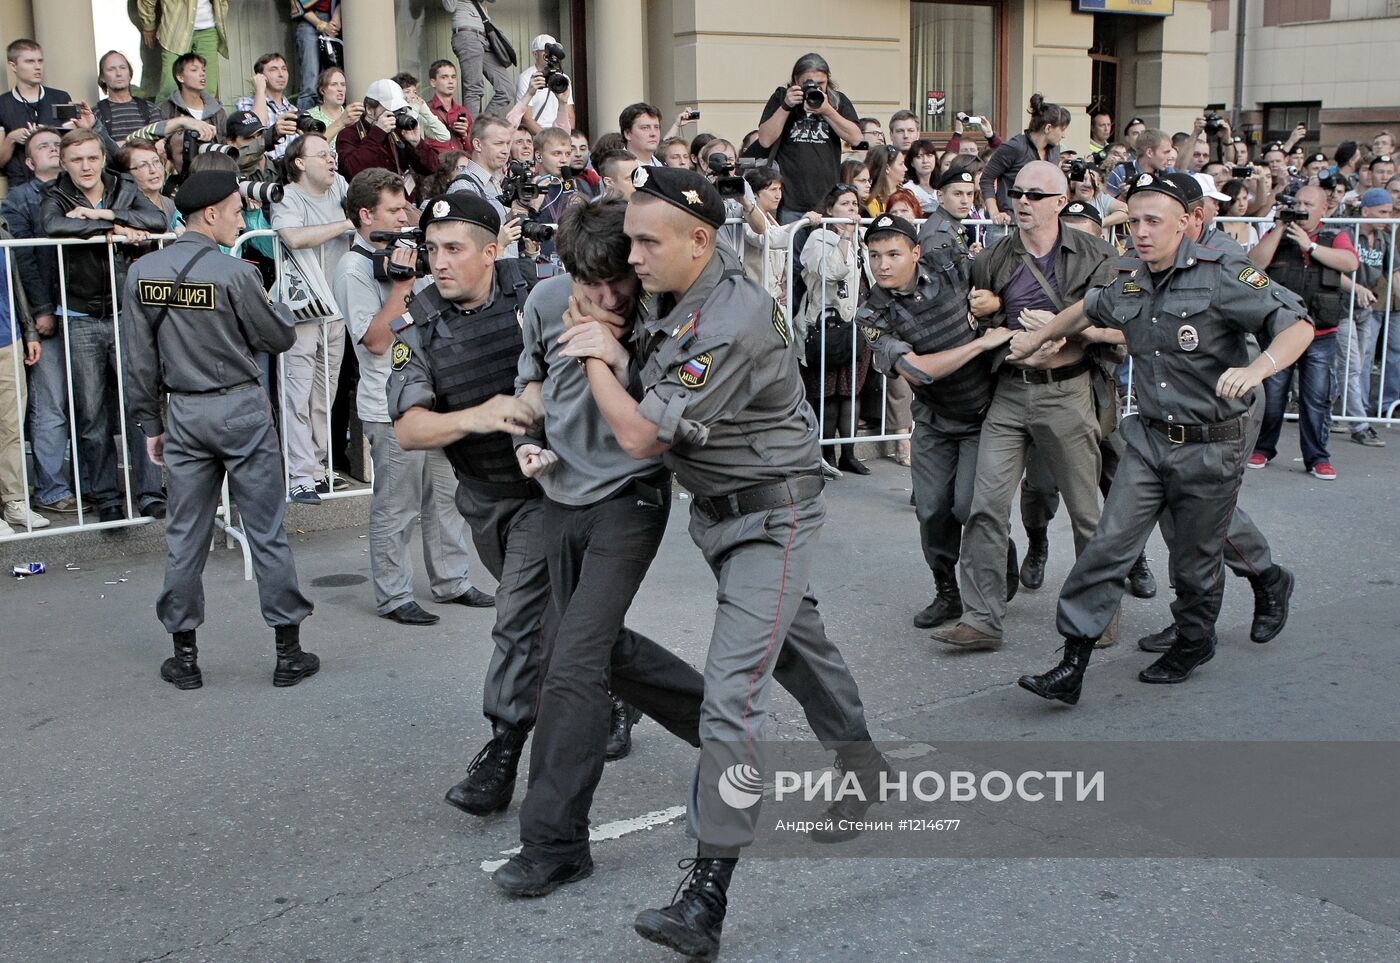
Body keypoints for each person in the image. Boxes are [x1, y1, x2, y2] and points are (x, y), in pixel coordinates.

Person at [562, 166, 885, 962]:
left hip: (770, 515)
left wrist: (596, 355)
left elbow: (642, 435)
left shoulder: (729, 318)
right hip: (723, 512)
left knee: (734, 691)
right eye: (629, 239)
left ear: (700, 241)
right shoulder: (675, 295)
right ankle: (860, 756)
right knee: (795, 647)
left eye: (647, 241)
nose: (631, 257)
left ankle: (706, 891)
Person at [1008, 172, 1312, 704]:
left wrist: (1259, 367)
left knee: (1194, 555)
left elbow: (1298, 324)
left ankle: (1197, 638)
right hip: (1148, 440)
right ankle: (1072, 661)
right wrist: (1044, 333)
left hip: (1211, 439)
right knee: (1108, 545)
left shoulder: (1225, 275)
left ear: (1189, 223)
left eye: (1154, 222)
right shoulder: (1131, 276)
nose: (1141, 233)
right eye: (1134, 221)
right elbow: (1091, 307)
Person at [491, 194, 708, 896]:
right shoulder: (547, 299)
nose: (609, 294)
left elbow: (675, 412)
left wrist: (614, 353)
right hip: (558, 496)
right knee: (598, 645)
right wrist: (526, 437)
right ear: (567, 272)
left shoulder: (661, 312)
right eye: (593, 284)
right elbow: (529, 378)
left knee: (572, 663)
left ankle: (555, 842)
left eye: (619, 279)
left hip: (630, 500)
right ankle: (725, 725)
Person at [120, 169, 320, 690]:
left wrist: (149, 422)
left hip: (184, 413)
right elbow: (276, 337)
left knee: (185, 536)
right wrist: (275, 303)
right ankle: (288, 653)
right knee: (266, 531)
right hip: (241, 409)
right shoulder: (236, 274)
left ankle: (184, 658)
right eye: (236, 212)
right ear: (210, 214)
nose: (240, 221)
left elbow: (138, 362)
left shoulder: (143, 273)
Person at [387, 193, 547, 817]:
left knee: (517, 618)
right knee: (559, 617)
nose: (438, 263)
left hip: (553, 491)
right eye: (430, 250)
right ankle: (625, 692)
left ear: (492, 250)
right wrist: (479, 416)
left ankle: (502, 750)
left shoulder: (540, 291)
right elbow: (408, 430)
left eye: (453, 249)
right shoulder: (420, 321)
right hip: (485, 497)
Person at [931, 161, 1116, 653]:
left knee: (1085, 512)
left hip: (1067, 390)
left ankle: (1099, 612)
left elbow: (1121, 326)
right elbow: (971, 324)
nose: (1023, 202)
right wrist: (982, 311)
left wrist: (1059, 330)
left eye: (1036, 194)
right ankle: (982, 618)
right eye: (1017, 193)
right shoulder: (993, 256)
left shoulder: (1095, 255)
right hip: (1010, 391)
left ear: (1060, 201)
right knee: (985, 506)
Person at [331, 168, 493, 626]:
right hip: (391, 405)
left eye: (405, 205)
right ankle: (394, 594)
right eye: (394, 208)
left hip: (439, 397)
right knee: (397, 506)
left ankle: (452, 580)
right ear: (366, 215)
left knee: (447, 498)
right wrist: (402, 283)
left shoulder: (416, 256)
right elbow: (376, 340)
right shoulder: (354, 266)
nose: (406, 215)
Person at [862, 212, 1010, 631]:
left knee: (969, 506)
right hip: (934, 417)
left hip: (986, 414)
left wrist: (991, 304)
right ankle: (947, 591)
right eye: (874, 255)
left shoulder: (952, 266)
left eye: (893, 253)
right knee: (931, 509)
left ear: (916, 252)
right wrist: (981, 344)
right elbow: (920, 372)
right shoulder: (872, 314)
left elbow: (1001, 282)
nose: (883, 264)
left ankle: (1001, 561)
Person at [41, 129, 168, 523]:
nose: (85, 166)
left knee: (141, 405)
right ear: (63, 163)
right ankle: (106, 495)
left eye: (92, 158)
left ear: (101, 158)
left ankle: (150, 491)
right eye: (76, 159)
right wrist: (111, 234)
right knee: (91, 414)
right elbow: (54, 227)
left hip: (125, 313)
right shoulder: (53, 194)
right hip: (78, 315)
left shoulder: (122, 186)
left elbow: (157, 218)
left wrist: (104, 215)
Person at [1248, 185, 1359, 480]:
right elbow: (1255, 265)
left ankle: (1317, 458)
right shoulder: (1278, 234)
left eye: (1308, 203)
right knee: (1272, 395)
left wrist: (1310, 246)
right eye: (1297, 202)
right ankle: (1262, 448)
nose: (1301, 207)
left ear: (1324, 209)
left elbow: (1350, 262)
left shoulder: (1334, 236)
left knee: (1316, 399)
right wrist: (1280, 230)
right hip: (1280, 331)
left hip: (1321, 332)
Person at [271, 132, 353, 503]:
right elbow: (292, 237)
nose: (331, 159)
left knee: (324, 395)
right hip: (301, 310)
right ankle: (298, 474)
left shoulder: (341, 186)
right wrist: (345, 226)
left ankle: (317, 468)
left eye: (332, 153)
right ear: (300, 163)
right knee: (297, 394)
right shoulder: (287, 194)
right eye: (322, 154)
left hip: (335, 310)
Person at [1, 128, 80, 517]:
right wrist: (40, 312)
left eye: (57, 145)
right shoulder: (17, 199)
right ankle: (51, 488)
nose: (53, 149)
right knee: (50, 406)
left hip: (86, 309)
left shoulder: (81, 189)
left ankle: (92, 485)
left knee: (92, 406)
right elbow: (24, 261)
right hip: (45, 311)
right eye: (43, 147)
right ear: (29, 163)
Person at [798, 183, 870, 476]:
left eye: (855, 203)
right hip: (828, 324)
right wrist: (843, 238)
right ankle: (826, 453)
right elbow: (832, 271)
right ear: (829, 209)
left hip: (859, 322)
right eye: (845, 203)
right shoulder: (819, 237)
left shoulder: (863, 236)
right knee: (828, 392)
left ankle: (849, 454)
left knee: (851, 391)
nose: (852, 208)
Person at [756, 52, 863, 222]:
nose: (815, 88)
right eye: (808, 83)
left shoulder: (837, 100)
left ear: (828, 81)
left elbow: (856, 138)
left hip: (827, 203)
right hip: (789, 202)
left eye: (821, 83)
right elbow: (765, 139)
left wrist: (827, 110)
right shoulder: (781, 98)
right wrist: (786, 106)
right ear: (795, 82)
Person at [1336, 188, 1395, 448]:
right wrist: (1356, 288)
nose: (1388, 216)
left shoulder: (1383, 238)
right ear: (1366, 210)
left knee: (1358, 365)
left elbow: (1394, 272)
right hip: (1342, 306)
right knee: (1349, 366)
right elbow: (1335, 270)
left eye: (1390, 211)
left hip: (1365, 308)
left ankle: (1335, 411)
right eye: (1382, 211)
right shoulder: (1347, 233)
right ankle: (1359, 424)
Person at [0, 214, 42, 535]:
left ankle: (13, 501)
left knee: (12, 425)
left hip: (7, 336)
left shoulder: (1, 222)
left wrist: (28, 330)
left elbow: (13, 281)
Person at [980, 94, 1070, 225]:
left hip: (1041, 223)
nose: (1064, 135)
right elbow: (986, 178)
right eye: (1062, 129)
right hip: (1008, 223)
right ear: (1048, 128)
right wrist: (995, 213)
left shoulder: (1055, 150)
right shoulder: (1015, 147)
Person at [336, 79, 438, 190]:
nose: (396, 115)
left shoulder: (399, 132)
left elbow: (432, 168)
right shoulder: (348, 134)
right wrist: (378, 133)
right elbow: (352, 171)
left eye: (400, 109)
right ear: (369, 109)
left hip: (401, 202)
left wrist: (417, 143)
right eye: (391, 109)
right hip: (370, 203)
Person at [0, 41, 76, 187]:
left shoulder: (61, 97)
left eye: (40, 61)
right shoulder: (2, 104)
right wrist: (11, 138)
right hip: (20, 186)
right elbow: (0, 161)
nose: (37, 67)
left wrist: (48, 133)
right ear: (13, 66)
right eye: (30, 61)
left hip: (61, 182)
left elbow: (73, 141)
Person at [741, 165, 818, 301]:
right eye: (772, 190)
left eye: (780, 189)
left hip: (774, 296)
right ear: (753, 193)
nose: (778, 195)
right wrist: (800, 223)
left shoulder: (772, 219)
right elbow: (767, 239)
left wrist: (786, 285)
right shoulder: (744, 217)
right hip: (754, 296)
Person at [442, 0, 513, 118]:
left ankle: (481, 125)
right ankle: (471, 133)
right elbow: (449, 7)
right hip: (467, 35)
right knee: (474, 88)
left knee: (506, 89)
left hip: (485, 37)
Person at [235, 53, 301, 160]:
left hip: (289, 171)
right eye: (273, 69)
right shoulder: (244, 103)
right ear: (259, 76)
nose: (281, 74)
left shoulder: (293, 110)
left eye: (284, 69)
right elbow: (256, 129)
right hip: (263, 171)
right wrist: (260, 89)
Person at [94, 50, 162, 142]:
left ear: (130, 74)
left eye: (122, 68)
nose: (118, 73)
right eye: (111, 69)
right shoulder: (96, 113)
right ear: (102, 77)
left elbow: (160, 145)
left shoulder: (150, 109)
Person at [157, 51, 227, 135]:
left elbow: (226, 141)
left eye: (203, 70)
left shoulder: (217, 110)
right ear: (180, 77)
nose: (202, 74)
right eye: (194, 70)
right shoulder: (166, 109)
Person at [516, 34, 574, 134]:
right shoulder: (527, 77)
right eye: (547, 50)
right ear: (535, 54)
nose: (552, 54)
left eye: (555, 50)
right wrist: (546, 139)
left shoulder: (563, 77)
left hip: (560, 132)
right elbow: (526, 118)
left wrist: (567, 138)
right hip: (538, 135)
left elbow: (570, 114)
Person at [289, 0, 339, 108]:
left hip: (334, 19)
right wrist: (321, 25)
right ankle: (306, 122)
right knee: (310, 83)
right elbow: (297, 3)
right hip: (309, 21)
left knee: (333, 79)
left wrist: (335, 20)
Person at [120, 139, 178, 231]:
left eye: (156, 162)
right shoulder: (122, 209)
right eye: (143, 165)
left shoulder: (172, 206)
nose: (153, 170)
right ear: (127, 174)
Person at [304, 66, 364, 143]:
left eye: (343, 84)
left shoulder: (353, 116)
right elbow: (313, 146)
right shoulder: (310, 116)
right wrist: (341, 121)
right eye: (334, 84)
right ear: (322, 90)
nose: (340, 89)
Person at [425, 60, 471, 154]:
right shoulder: (425, 111)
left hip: (461, 165)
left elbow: (473, 151)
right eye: (444, 77)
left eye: (453, 77)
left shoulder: (463, 111)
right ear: (433, 82)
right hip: (437, 165)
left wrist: (464, 135)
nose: (450, 81)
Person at [620, 103, 663, 167]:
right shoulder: (617, 168)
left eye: (656, 127)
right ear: (627, 134)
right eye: (645, 128)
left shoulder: (663, 166)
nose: (653, 134)